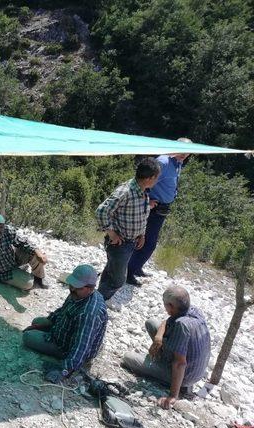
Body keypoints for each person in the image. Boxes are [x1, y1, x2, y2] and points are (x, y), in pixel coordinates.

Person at [121, 285, 211, 409]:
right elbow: (167, 321)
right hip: (194, 368)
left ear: (171, 307)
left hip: (185, 375)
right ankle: (160, 360)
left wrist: (173, 396)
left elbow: (180, 363)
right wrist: (158, 337)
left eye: (165, 305)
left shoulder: (181, 325)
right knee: (151, 323)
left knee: (128, 358)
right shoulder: (192, 310)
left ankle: (173, 382)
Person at [23, 264, 108, 383]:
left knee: (28, 337)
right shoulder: (78, 292)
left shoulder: (89, 314)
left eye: (76, 287)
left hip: (67, 347)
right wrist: (45, 324)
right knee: (37, 321)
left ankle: (62, 356)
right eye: (72, 284)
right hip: (66, 332)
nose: (72, 288)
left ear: (90, 288)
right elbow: (63, 311)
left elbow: (81, 347)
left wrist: (64, 370)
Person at [126, 139, 193, 286]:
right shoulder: (163, 162)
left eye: (187, 151)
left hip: (161, 208)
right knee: (146, 242)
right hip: (152, 208)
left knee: (149, 241)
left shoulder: (177, 162)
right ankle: (128, 273)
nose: (184, 153)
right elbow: (143, 182)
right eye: (182, 149)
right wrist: (146, 201)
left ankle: (136, 268)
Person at [95, 158, 161, 300]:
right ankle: (96, 303)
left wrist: (141, 234)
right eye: (156, 178)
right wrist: (112, 233)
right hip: (119, 243)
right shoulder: (126, 191)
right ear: (150, 178)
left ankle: (96, 299)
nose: (157, 181)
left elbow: (141, 214)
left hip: (131, 242)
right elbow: (101, 211)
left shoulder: (143, 191)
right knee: (118, 280)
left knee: (111, 271)